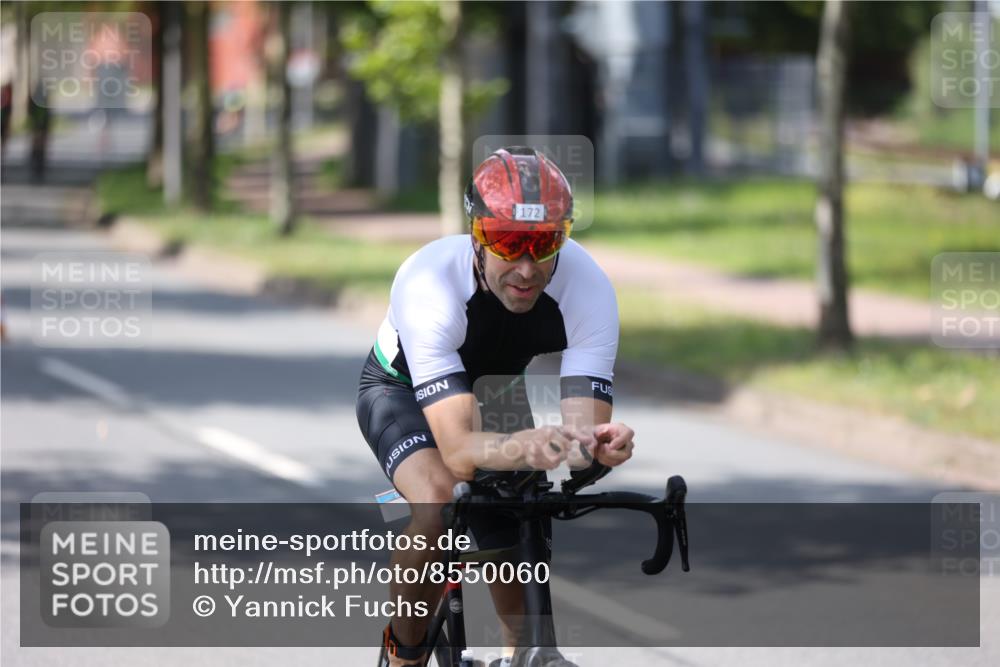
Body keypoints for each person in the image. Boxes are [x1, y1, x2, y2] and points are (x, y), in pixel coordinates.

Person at [356, 146, 635, 666]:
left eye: (545, 243)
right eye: (508, 243)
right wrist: (519, 447)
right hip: (400, 392)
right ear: (476, 236)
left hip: (498, 390)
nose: (527, 268)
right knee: (439, 499)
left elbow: (580, 440)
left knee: (519, 516)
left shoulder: (589, 287)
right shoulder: (430, 285)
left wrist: (596, 447)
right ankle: (405, 653)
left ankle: (523, 654)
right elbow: (460, 453)